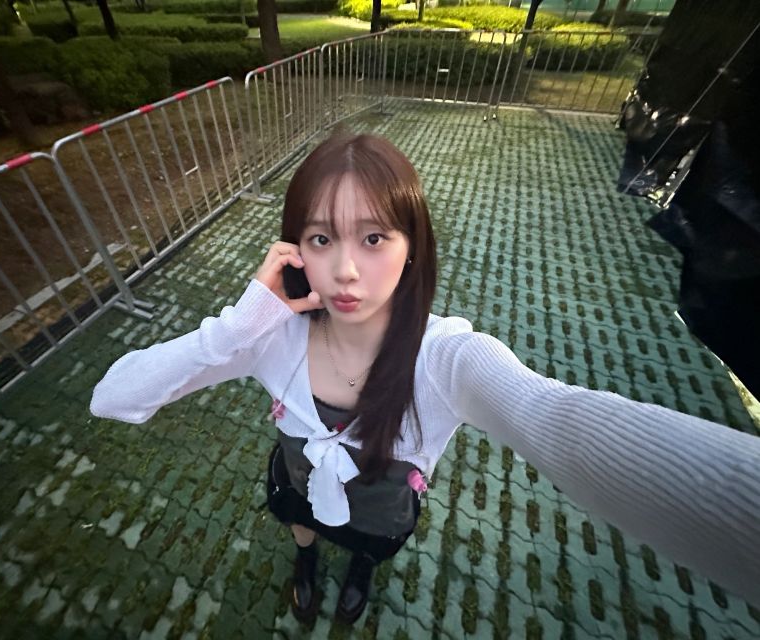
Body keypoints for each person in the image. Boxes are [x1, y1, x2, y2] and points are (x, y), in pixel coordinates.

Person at [90, 133, 760, 622]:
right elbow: (113, 396)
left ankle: (359, 570)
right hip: (298, 486)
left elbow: (557, 420)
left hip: (381, 516)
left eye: (373, 238)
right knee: (298, 519)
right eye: (322, 239)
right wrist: (236, 328)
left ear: (411, 249)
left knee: (368, 547)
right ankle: (306, 558)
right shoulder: (271, 339)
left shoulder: (444, 358)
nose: (345, 270)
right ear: (294, 251)